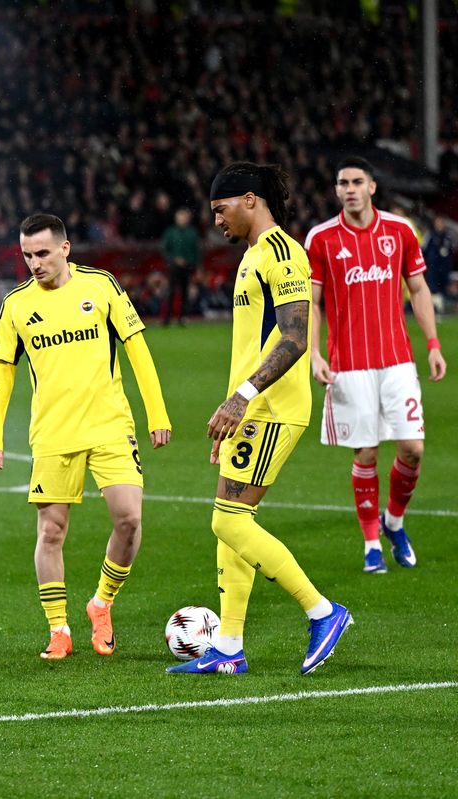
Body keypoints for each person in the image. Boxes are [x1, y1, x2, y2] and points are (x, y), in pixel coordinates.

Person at [169, 161, 352, 676]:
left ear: (250, 199)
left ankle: (322, 611)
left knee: (227, 519)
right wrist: (233, 408)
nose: (217, 220)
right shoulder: (252, 256)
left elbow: (295, 337)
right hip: (251, 410)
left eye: (220, 209)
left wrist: (243, 398)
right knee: (230, 524)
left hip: (273, 408)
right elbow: (255, 343)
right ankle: (228, 647)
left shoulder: (282, 254)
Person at [0, 213, 171, 661]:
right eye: (27, 255)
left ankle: (101, 604)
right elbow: (3, 374)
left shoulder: (101, 286)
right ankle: (58, 629)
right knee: (51, 531)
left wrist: (157, 412)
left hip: (110, 425)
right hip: (52, 433)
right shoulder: (15, 306)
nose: (35, 263)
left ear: (65, 248)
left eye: (43, 253)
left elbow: (137, 350)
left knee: (129, 519)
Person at [304, 156, 447, 574]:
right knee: (366, 452)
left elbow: (418, 289)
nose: (349, 188)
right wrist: (315, 353)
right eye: (342, 182)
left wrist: (433, 344)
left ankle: (394, 522)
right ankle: (371, 544)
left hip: (398, 360)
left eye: (356, 181)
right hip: (349, 365)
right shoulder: (321, 239)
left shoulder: (400, 231)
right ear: (336, 191)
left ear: (372, 187)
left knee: (412, 449)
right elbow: (313, 302)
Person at [161, 208, 202, 325]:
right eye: (180, 217)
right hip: (173, 267)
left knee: (184, 292)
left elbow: (196, 252)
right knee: (171, 292)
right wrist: (174, 260)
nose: (182, 219)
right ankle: (167, 317)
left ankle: (182, 317)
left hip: (187, 267)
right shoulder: (170, 232)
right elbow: (165, 250)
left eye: (184, 217)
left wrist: (193, 264)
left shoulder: (192, 233)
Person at [422, 215, 454, 314]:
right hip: (433, 269)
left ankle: (443, 311)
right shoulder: (430, 235)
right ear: (434, 223)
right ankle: (432, 311)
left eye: (441, 222)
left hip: (444, 269)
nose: (440, 224)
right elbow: (423, 251)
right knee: (433, 289)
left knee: (444, 290)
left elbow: (451, 253)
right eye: (438, 222)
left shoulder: (448, 237)